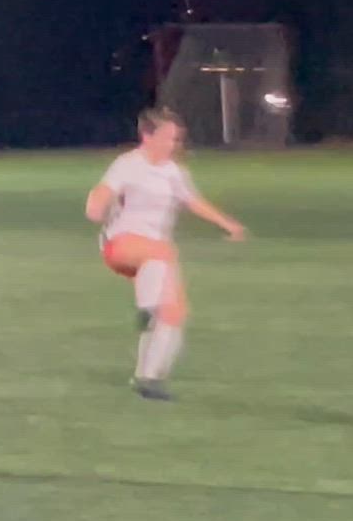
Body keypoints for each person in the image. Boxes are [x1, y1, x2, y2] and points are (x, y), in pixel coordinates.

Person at [85, 108, 246, 401]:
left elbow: (193, 201)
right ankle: (147, 309)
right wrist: (95, 207)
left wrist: (227, 224)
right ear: (147, 136)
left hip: (155, 257)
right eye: (168, 137)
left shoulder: (174, 171)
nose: (174, 144)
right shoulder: (128, 164)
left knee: (174, 314)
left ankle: (147, 378)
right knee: (161, 252)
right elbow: (101, 194)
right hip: (121, 245)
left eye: (176, 138)